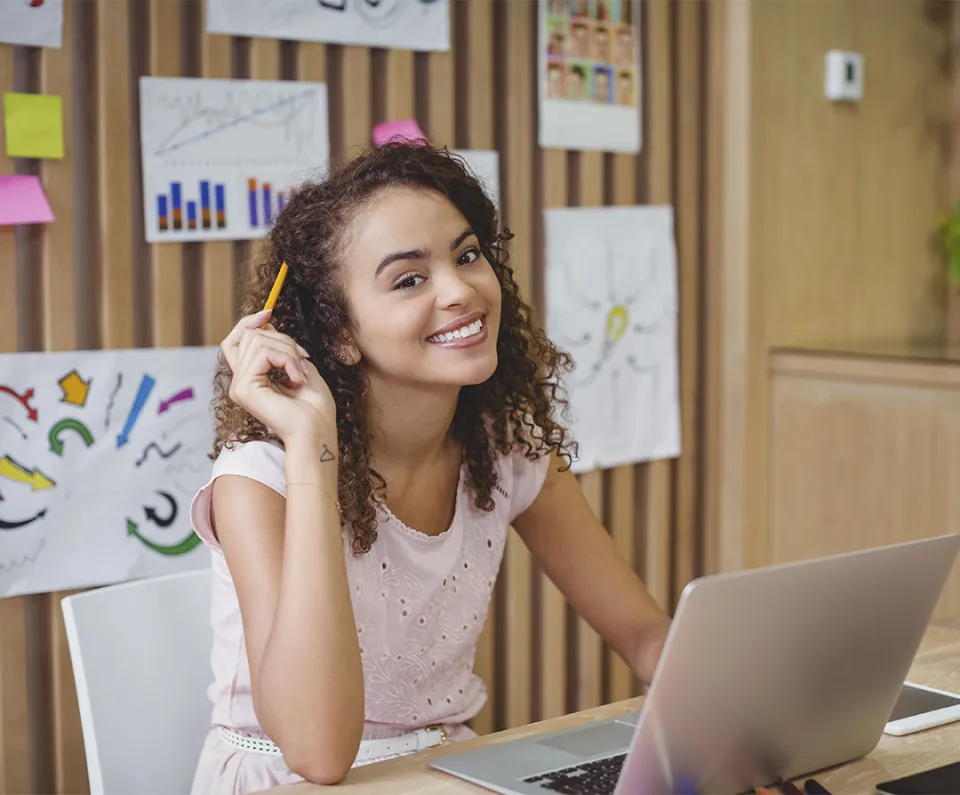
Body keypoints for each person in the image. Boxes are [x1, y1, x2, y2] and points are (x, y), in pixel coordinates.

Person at [189, 143, 672, 794]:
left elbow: (644, 633)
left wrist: (742, 699)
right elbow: (319, 753)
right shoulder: (260, 477)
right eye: (409, 278)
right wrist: (311, 446)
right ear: (339, 333)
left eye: (467, 254)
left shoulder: (503, 448)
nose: (460, 290)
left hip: (446, 775)